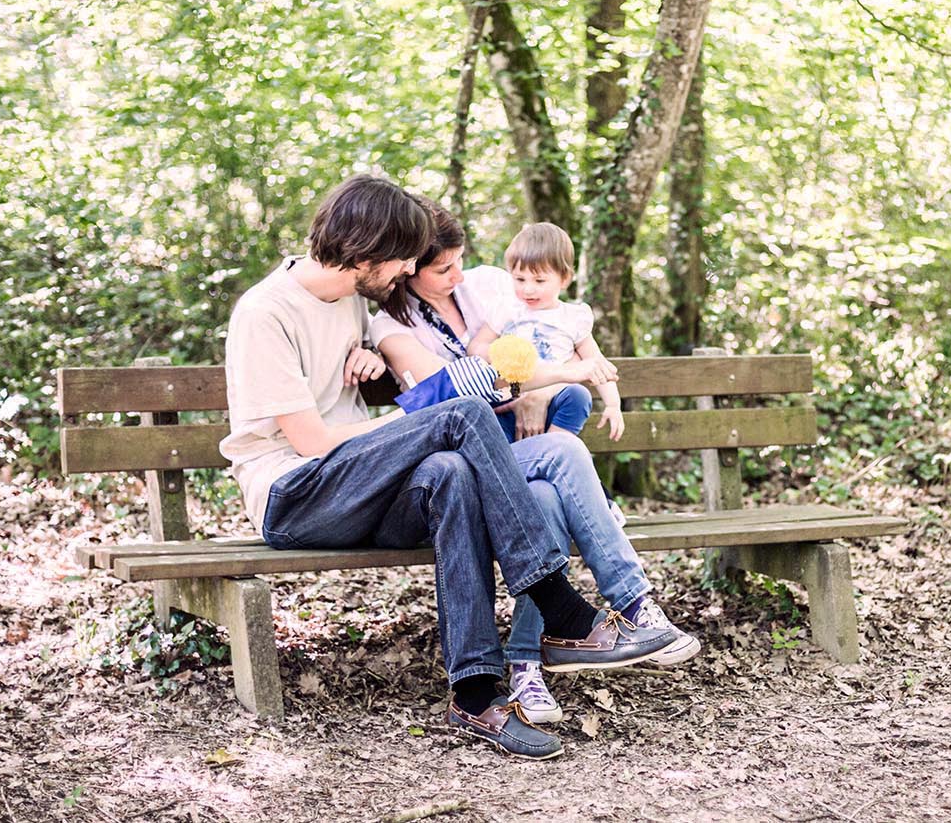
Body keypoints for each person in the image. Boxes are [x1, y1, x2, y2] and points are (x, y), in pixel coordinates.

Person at [218, 174, 676, 761]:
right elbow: (310, 442)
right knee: (455, 418)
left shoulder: (355, 301)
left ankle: (476, 696)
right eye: (402, 259)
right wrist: (413, 425)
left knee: (452, 476)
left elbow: (365, 375)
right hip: (295, 494)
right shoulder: (265, 312)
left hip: (361, 489)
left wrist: (366, 354)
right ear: (365, 251)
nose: (408, 271)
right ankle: (563, 610)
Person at [371, 204, 701, 727]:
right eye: (443, 269)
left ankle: (527, 662)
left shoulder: (486, 283)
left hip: (516, 456)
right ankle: (633, 603)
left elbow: (547, 328)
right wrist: (537, 387)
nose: (460, 276)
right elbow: (452, 400)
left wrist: (543, 390)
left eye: (460, 262)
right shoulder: (392, 326)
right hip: (460, 469)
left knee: (547, 499)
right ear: (408, 267)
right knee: (565, 452)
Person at [467, 222, 623, 445]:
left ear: (564, 279)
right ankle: (509, 458)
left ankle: (554, 447)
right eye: (519, 279)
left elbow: (597, 363)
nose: (528, 289)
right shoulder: (506, 310)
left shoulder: (573, 317)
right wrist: (498, 354)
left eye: (539, 280)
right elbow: (476, 346)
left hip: (553, 401)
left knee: (578, 395)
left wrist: (613, 405)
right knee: (485, 409)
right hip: (509, 398)